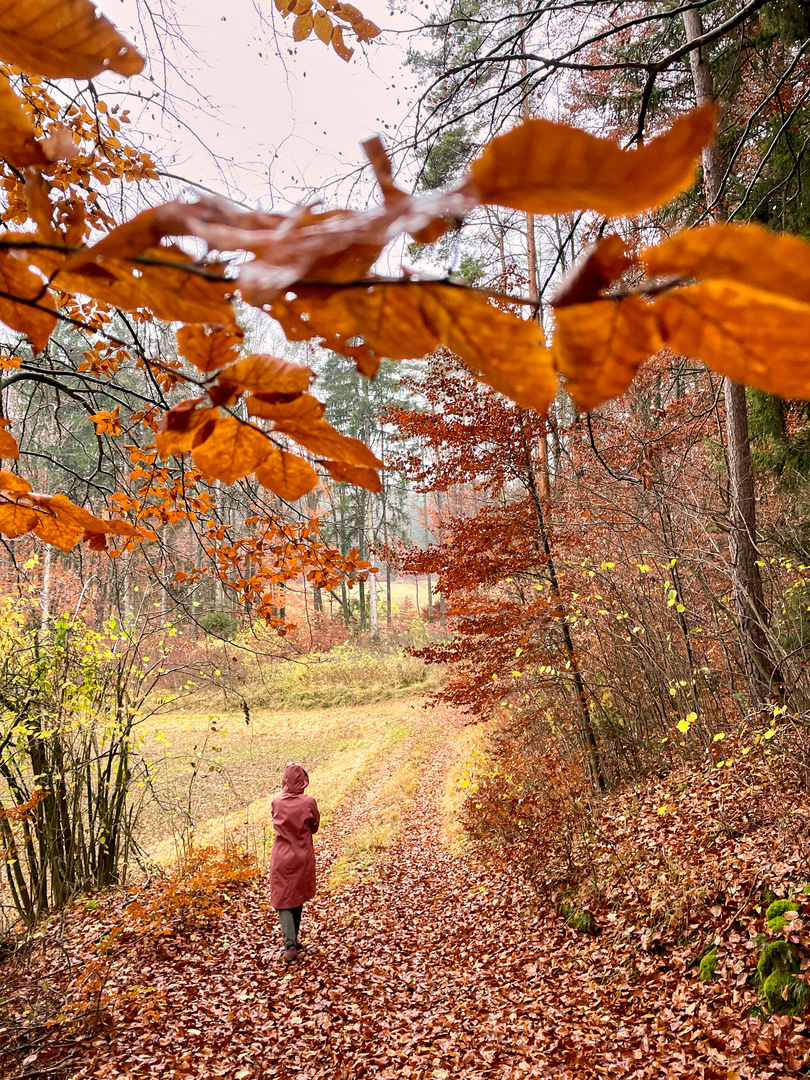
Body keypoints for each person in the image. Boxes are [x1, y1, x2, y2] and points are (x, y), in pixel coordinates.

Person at [269, 762, 320, 962]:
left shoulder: (276, 802)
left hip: (281, 856)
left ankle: (290, 944)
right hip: (302, 854)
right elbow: (314, 826)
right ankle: (293, 940)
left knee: (284, 898)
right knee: (296, 894)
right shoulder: (309, 802)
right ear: (302, 781)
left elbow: (275, 820)